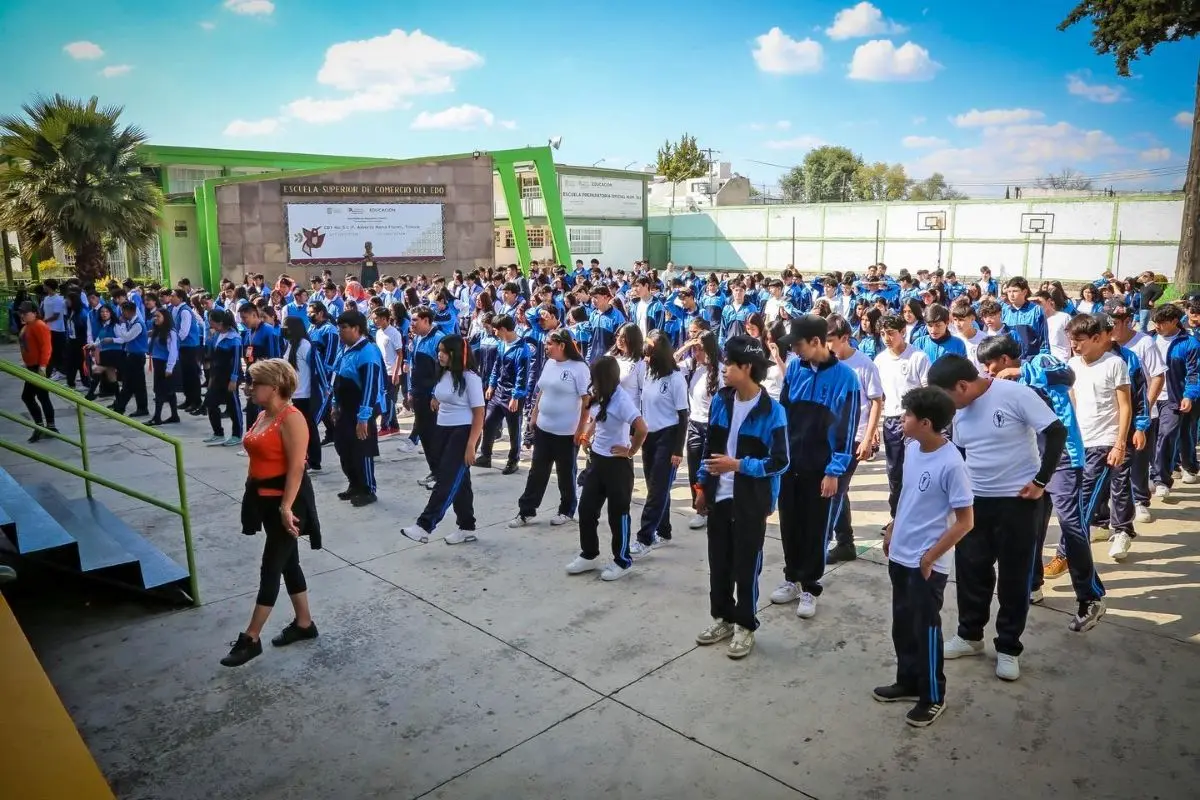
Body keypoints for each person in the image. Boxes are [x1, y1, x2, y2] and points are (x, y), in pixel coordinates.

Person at [929, 355, 1067, 681]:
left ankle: (1008, 647)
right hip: (976, 503)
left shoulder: (1014, 395)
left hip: (1018, 502)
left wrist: (1041, 481)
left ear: (962, 386)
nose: (948, 406)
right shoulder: (960, 411)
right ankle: (969, 635)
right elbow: (962, 452)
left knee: (1014, 578)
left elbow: (1056, 432)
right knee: (971, 572)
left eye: (948, 397)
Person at [977, 334, 1106, 625]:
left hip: (1063, 459)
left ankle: (1090, 596)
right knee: (1030, 528)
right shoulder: (999, 387)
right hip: (1031, 464)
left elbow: (1066, 373)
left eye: (991, 366)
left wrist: (1021, 372)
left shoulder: (1039, 362)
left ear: (1007, 360)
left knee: (1072, 526)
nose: (989, 372)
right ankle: (1033, 585)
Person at [873, 386, 973, 727]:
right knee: (903, 625)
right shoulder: (913, 448)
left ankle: (932, 696)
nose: (903, 418)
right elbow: (906, 496)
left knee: (926, 629)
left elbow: (965, 522)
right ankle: (908, 681)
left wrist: (930, 558)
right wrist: (892, 528)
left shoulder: (951, 463)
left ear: (926, 422)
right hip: (900, 553)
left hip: (925, 563)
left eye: (909, 415)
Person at [692, 335, 789, 659]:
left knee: (746, 567)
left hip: (750, 500)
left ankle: (745, 625)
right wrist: (703, 486)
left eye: (728, 365)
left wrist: (738, 465)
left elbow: (780, 461)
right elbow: (710, 449)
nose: (722, 370)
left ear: (746, 367)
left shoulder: (772, 411)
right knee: (719, 563)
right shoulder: (722, 400)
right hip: (719, 497)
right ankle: (722, 617)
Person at [221, 358, 322, 668]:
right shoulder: (264, 414)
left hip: (288, 504)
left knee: (271, 567)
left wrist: (286, 507)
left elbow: (295, 467)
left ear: (275, 387)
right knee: (289, 563)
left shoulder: (292, 418)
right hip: (264, 500)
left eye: (256, 383)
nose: (250, 388)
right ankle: (304, 624)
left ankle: (251, 638)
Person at [771, 314, 861, 619]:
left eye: (797, 344)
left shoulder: (846, 379)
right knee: (790, 523)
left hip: (820, 467)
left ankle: (810, 586)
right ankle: (791, 577)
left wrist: (834, 471)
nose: (794, 350)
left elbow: (846, 430)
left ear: (816, 342)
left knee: (815, 526)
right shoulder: (795, 368)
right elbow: (782, 413)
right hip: (791, 463)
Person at [569, 355, 648, 580]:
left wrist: (630, 451)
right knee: (586, 509)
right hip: (598, 461)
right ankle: (590, 554)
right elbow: (597, 419)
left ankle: (622, 561)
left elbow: (642, 428)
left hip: (617, 466)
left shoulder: (622, 401)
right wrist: (587, 435)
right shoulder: (600, 396)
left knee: (618, 515)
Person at [401, 335, 485, 544]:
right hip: (443, 430)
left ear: (456, 354)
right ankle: (467, 527)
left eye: (445, 351)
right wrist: (435, 399)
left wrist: (471, 445)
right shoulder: (444, 373)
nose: (440, 355)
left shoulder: (470, 378)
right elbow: (441, 393)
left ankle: (424, 526)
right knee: (460, 482)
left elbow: (479, 414)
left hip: (463, 432)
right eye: (439, 350)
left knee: (446, 481)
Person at [1065, 314, 1132, 574]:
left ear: (1096, 338)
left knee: (1083, 503)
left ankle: (1065, 554)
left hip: (1104, 443)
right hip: (1079, 443)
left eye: (1080, 341)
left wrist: (1119, 444)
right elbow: (1071, 402)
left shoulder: (1115, 364)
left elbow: (1125, 406)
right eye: (1071, 340)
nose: (1075, 346)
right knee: (1074, 502)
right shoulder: (1071, 364)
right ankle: (1072, 554)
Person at [510, 329, 592, 528]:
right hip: (544, 428)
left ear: (562, 345)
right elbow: (542, 390)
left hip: (566, 432)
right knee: (537, 471)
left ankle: (567, 509)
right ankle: (526, 511)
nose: (545, 347)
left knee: (566, 473)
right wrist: (534, 415)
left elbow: (586, 400)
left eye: (549, 344)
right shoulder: (549, 364)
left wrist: (581, 429)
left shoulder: (579, 368)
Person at [826, 314, 883, 563]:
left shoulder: (864, 365)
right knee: (840, 489)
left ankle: (823, 542)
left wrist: (868, 437)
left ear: (845, 338)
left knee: (834, 490)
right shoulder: (827, 363)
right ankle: (846, 542)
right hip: (829, 436)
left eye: (830, 341)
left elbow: (876, 401)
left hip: (854, 436)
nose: (826, 346)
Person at [630, 330, 690, 558]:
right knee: (656, 486)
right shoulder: (649, 374)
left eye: (649, 356)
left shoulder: (675, 380)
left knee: (656, 491)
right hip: (650, 436)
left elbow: (683, 416)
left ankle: (645, 537)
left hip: (668, 436)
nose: (646, 360)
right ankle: (664, 530)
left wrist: (677, 450)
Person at [326, 310, 385, 507]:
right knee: (343, 447)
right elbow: (337, 378)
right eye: (339, 328)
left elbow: (370, 387)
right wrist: (335, 404)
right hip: (345, 408)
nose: (340, 332)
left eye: (344, 328)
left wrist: (363, 418)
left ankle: (368, 489)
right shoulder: (345, 349)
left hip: (361, 409)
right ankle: (354, 484)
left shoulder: (368, 352)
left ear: (356, 329)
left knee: (363, 449)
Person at [874, 315, 931, 517]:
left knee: (915, 469)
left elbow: (927, 391)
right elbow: (878, 396)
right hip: (891, 420)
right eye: (882, 334)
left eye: (891, 333)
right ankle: (896, 516)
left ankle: (917, 513)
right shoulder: (880, 360)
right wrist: (873, 428)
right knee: (894, 471)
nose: (887, 338)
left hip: (915, 420)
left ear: (903, 332)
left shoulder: (918, 357)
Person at [681, 330, 724, 530]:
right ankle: (699, 509)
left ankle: (712, 506)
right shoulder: (692, 367)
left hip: (712, 426)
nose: (696, 354)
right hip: (694, 424)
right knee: (693, 469)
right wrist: (687, 346)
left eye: (700, 349)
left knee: (710, 470)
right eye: (695, 350)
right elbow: (671, 362)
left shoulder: (721, 372)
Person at [479, 314, 531, 474]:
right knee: (488, 423)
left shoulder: (523, 349)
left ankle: (513, 460)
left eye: (496, 330)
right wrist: (492, 385)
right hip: (499, 391)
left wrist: (516, 396)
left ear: (503, 329)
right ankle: (485, 456)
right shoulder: (502, 344)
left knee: (514, 429)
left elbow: (522, 376)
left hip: (513, 395)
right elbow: (496, 366)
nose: (494, 333)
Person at [405, 307, 446, 485]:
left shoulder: (439, 340)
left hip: (432, 398)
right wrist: (410, 392)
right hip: (419, 395)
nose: (411, 324)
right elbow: (414, 369)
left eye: (415, 320)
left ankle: (442, 474)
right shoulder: (418, 338)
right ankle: (434, 470)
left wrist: (436, 396)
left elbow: (443, 371)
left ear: (426, 320)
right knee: (424, 434)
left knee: (435, 436)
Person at [282, 316, 326, 471]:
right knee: (296, 430)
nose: (284, 330)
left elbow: (318, 366)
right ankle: (302, 457)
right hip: (292, 394)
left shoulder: (305, 345)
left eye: (286, 327)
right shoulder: (290, 344)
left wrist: (325, 387)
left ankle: (314, 461)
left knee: (308, 428)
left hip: (304, 395)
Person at [203, 310, 245, 447]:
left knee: (233, 405)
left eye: (212, 322)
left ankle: (237, 434)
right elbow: (212, 356)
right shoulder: (216, 335)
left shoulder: (234, 338)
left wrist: (234, 379)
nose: (210, 324)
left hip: (229, 377)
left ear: (220, 322)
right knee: (210, 402)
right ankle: (218, 432)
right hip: (217, 376)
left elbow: (237, 361)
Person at [16, 302, 56, 443]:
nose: (23, 315)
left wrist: (43, 366)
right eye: (21, 313)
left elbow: (46, 347)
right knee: (41, 396)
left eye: (25, 313)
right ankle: (49, 426)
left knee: (29, 396)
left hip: (39, 366)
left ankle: (42, 426)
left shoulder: (39, 325)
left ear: (34, 312)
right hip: (33, 365)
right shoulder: (28, 326)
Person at [105, 300, 150, 418]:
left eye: (123, 312)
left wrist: (122, 325)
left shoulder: (137, 324)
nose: (122, 315)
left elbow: (126, 337)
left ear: (129, 312)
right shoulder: (131, 323)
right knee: (132, 384)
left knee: (132, 384)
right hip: (131, 355)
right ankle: (125, 407)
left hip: (137, 357)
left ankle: (125, 407)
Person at [146, 307, 181, 426]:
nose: (155, 318)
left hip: (165, 364)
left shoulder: (170, 332)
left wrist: (170, 367)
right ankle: (174, 415)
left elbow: (173, 351)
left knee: (160, 391)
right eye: (154, 316)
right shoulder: (157, 330)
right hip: (158, 363)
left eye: (158, 316)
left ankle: (157, 417)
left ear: (165, 318)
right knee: (168, 391)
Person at [373, 307, 404, 437]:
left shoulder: (394, 333)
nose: (374, 321)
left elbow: (399, 354)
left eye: (376, 318)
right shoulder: (378, 332)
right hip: (382, 371)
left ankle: (386, 425)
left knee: (390, 400)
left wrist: (396, 373)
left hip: (393, 371)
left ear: (384, 318)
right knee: (384, 399)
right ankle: (393, 425)